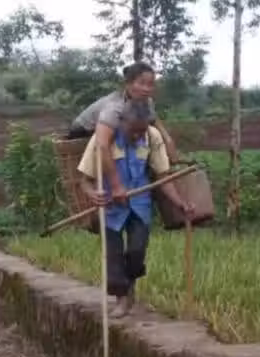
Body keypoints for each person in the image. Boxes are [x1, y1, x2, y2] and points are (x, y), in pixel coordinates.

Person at [76, 99, 194, 318]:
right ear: (122, 123)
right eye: (133, 131)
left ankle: (129, 288)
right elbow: (84, 181)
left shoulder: (152, 137)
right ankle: (122, 299)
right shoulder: (103, 138)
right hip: (111, 209)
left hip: (140, 205)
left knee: (137, 252)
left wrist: (180, 203)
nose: (137, 136)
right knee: (113, 257)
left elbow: (163, 177)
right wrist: (94, 194)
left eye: (142, 131)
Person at [67, 61, 180, 164]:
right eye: (141, 83)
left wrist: (168, 140)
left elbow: (154, 121)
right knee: (125, 134)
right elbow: (103, 142)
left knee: (150, 132)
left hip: (112, 128)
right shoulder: (115, 105)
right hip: (83, 130)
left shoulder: (146, 101)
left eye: (150, 84)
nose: (146, 89)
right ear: (128, 84)